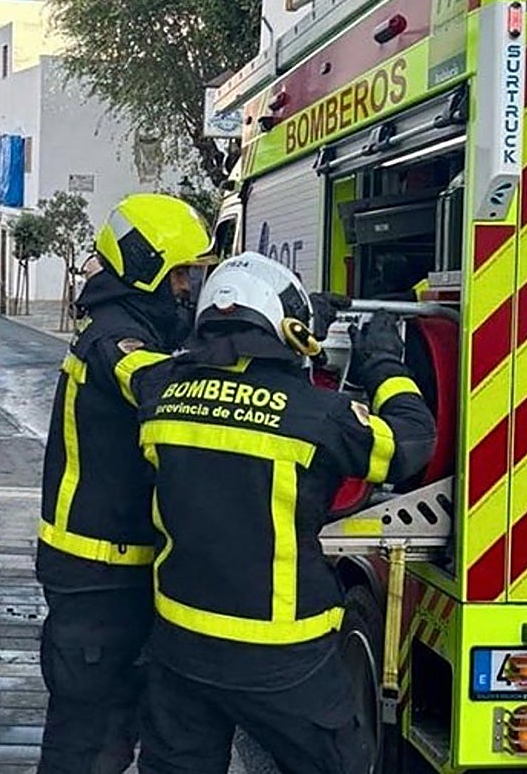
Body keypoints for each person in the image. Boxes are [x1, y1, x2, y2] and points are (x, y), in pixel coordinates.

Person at [125, 251, 437, 774]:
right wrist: (385, 364)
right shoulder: (319, 415)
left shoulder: (161, 393)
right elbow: (412, 441)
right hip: (281, 656)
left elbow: (188, 369)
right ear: (282, 326)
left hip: (180, 644)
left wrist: (295, 325)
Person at [36, 193, 213, 773]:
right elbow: (164, 390)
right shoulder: (115, 339)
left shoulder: (131, 325)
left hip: (112, 565)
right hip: (97, 573)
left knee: (115, 724)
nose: (188, 288)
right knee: (87, 735)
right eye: (183, 273)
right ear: (148, 267)